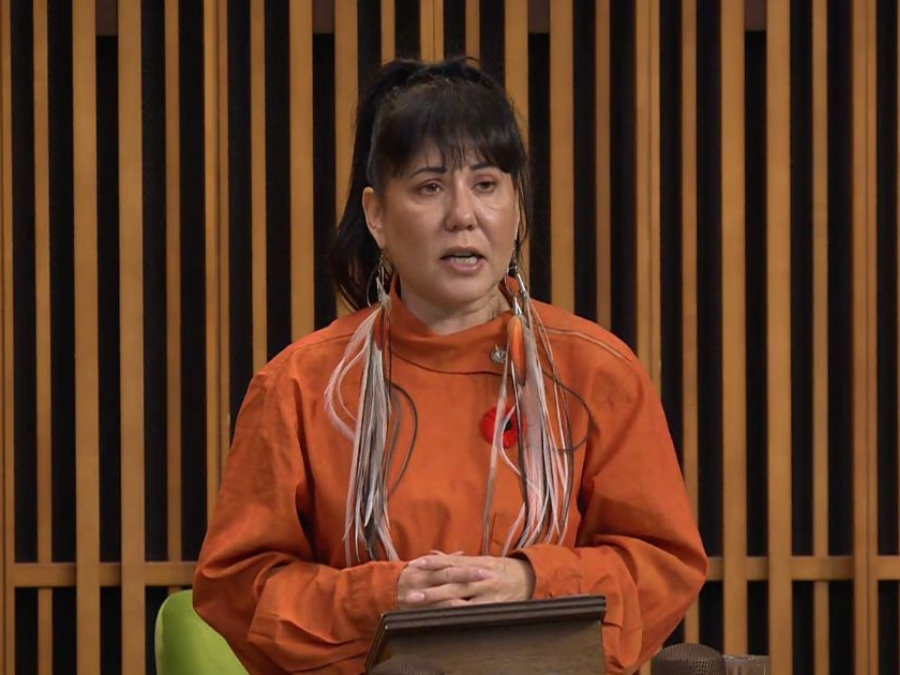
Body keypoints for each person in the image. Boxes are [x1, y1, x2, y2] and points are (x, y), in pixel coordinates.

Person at [193, 57, 707, 675]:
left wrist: (529, 581)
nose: (463, 214)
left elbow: (662, 566)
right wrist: (384, 599)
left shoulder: (595, 370)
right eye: (430, 186)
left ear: (516, 205)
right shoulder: (302, 385)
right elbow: (236, 587)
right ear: (377, 215)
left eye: (487, 184)